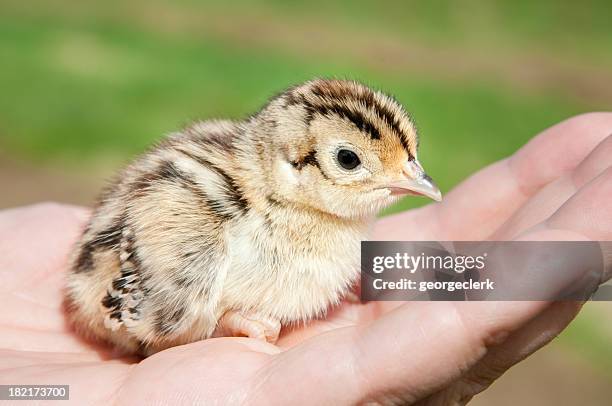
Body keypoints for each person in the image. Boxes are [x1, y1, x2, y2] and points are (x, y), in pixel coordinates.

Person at [0, 113, 610, 405]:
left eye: (409, 160)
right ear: (295, 166)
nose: (412, 180)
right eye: (351, 162)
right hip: (136, 293)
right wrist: (200, 321)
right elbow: (119, 278)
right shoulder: (213, 212)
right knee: (185, 241)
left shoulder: (318, 226)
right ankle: (181, 324)